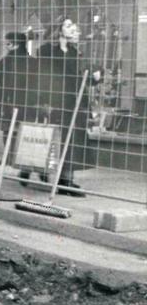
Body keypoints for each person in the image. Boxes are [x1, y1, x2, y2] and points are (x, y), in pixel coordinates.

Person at [34, 19, 93, 196]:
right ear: (58, 30)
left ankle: (66, 180)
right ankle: (40, 169)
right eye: (68, 26)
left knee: (72, 140)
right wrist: (43, 101)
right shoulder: (47, 51)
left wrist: (93, 77)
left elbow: (79, 77)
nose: (74, 29)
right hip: (55, 102)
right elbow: (41, 76)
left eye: (74, 26)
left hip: (73, 102)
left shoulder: (75, 53)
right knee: (53, 138)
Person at [0, 31, 35, 142]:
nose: (6, 46)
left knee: (8, 132)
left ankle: (8, 158)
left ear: (16, 44)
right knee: (26, 133)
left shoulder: (5, 62)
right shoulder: (33, 62)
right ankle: (20, 157)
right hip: (29, 104)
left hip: (7, 102)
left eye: (8, 44)